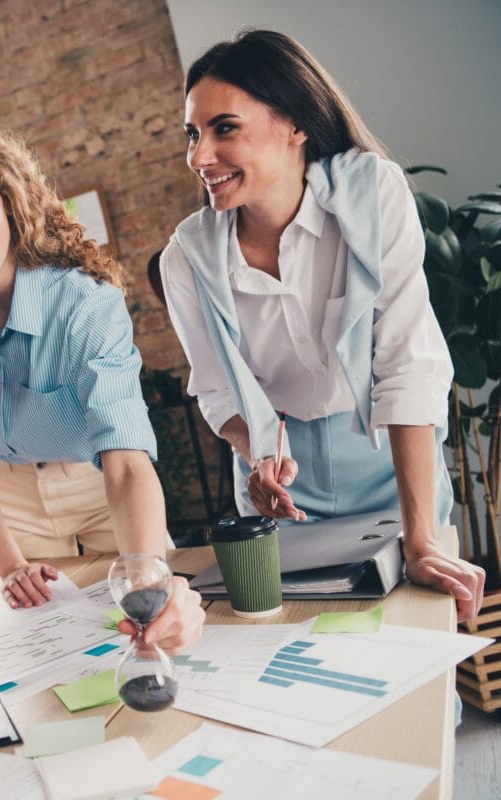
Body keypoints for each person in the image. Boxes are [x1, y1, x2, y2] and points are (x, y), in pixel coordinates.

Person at [159, 29, 485, 620]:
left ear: (295, 123)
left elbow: (407, 362)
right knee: (290, 653)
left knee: (415, 640)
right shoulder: (186, 257)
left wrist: (422, 541)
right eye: (192, 134)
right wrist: (259, 454)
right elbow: (216, 388)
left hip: (389, 456)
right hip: (283, 484)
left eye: (224, 128)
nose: (198, 157)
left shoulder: (372, 195)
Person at [0, 111, 205, 655]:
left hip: (100, 484)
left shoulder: (83, 302)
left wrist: (149, 582)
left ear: (6, 194)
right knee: (49, 656)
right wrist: (8, 564)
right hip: (10, 501)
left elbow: (124, 456)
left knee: (153, 629)